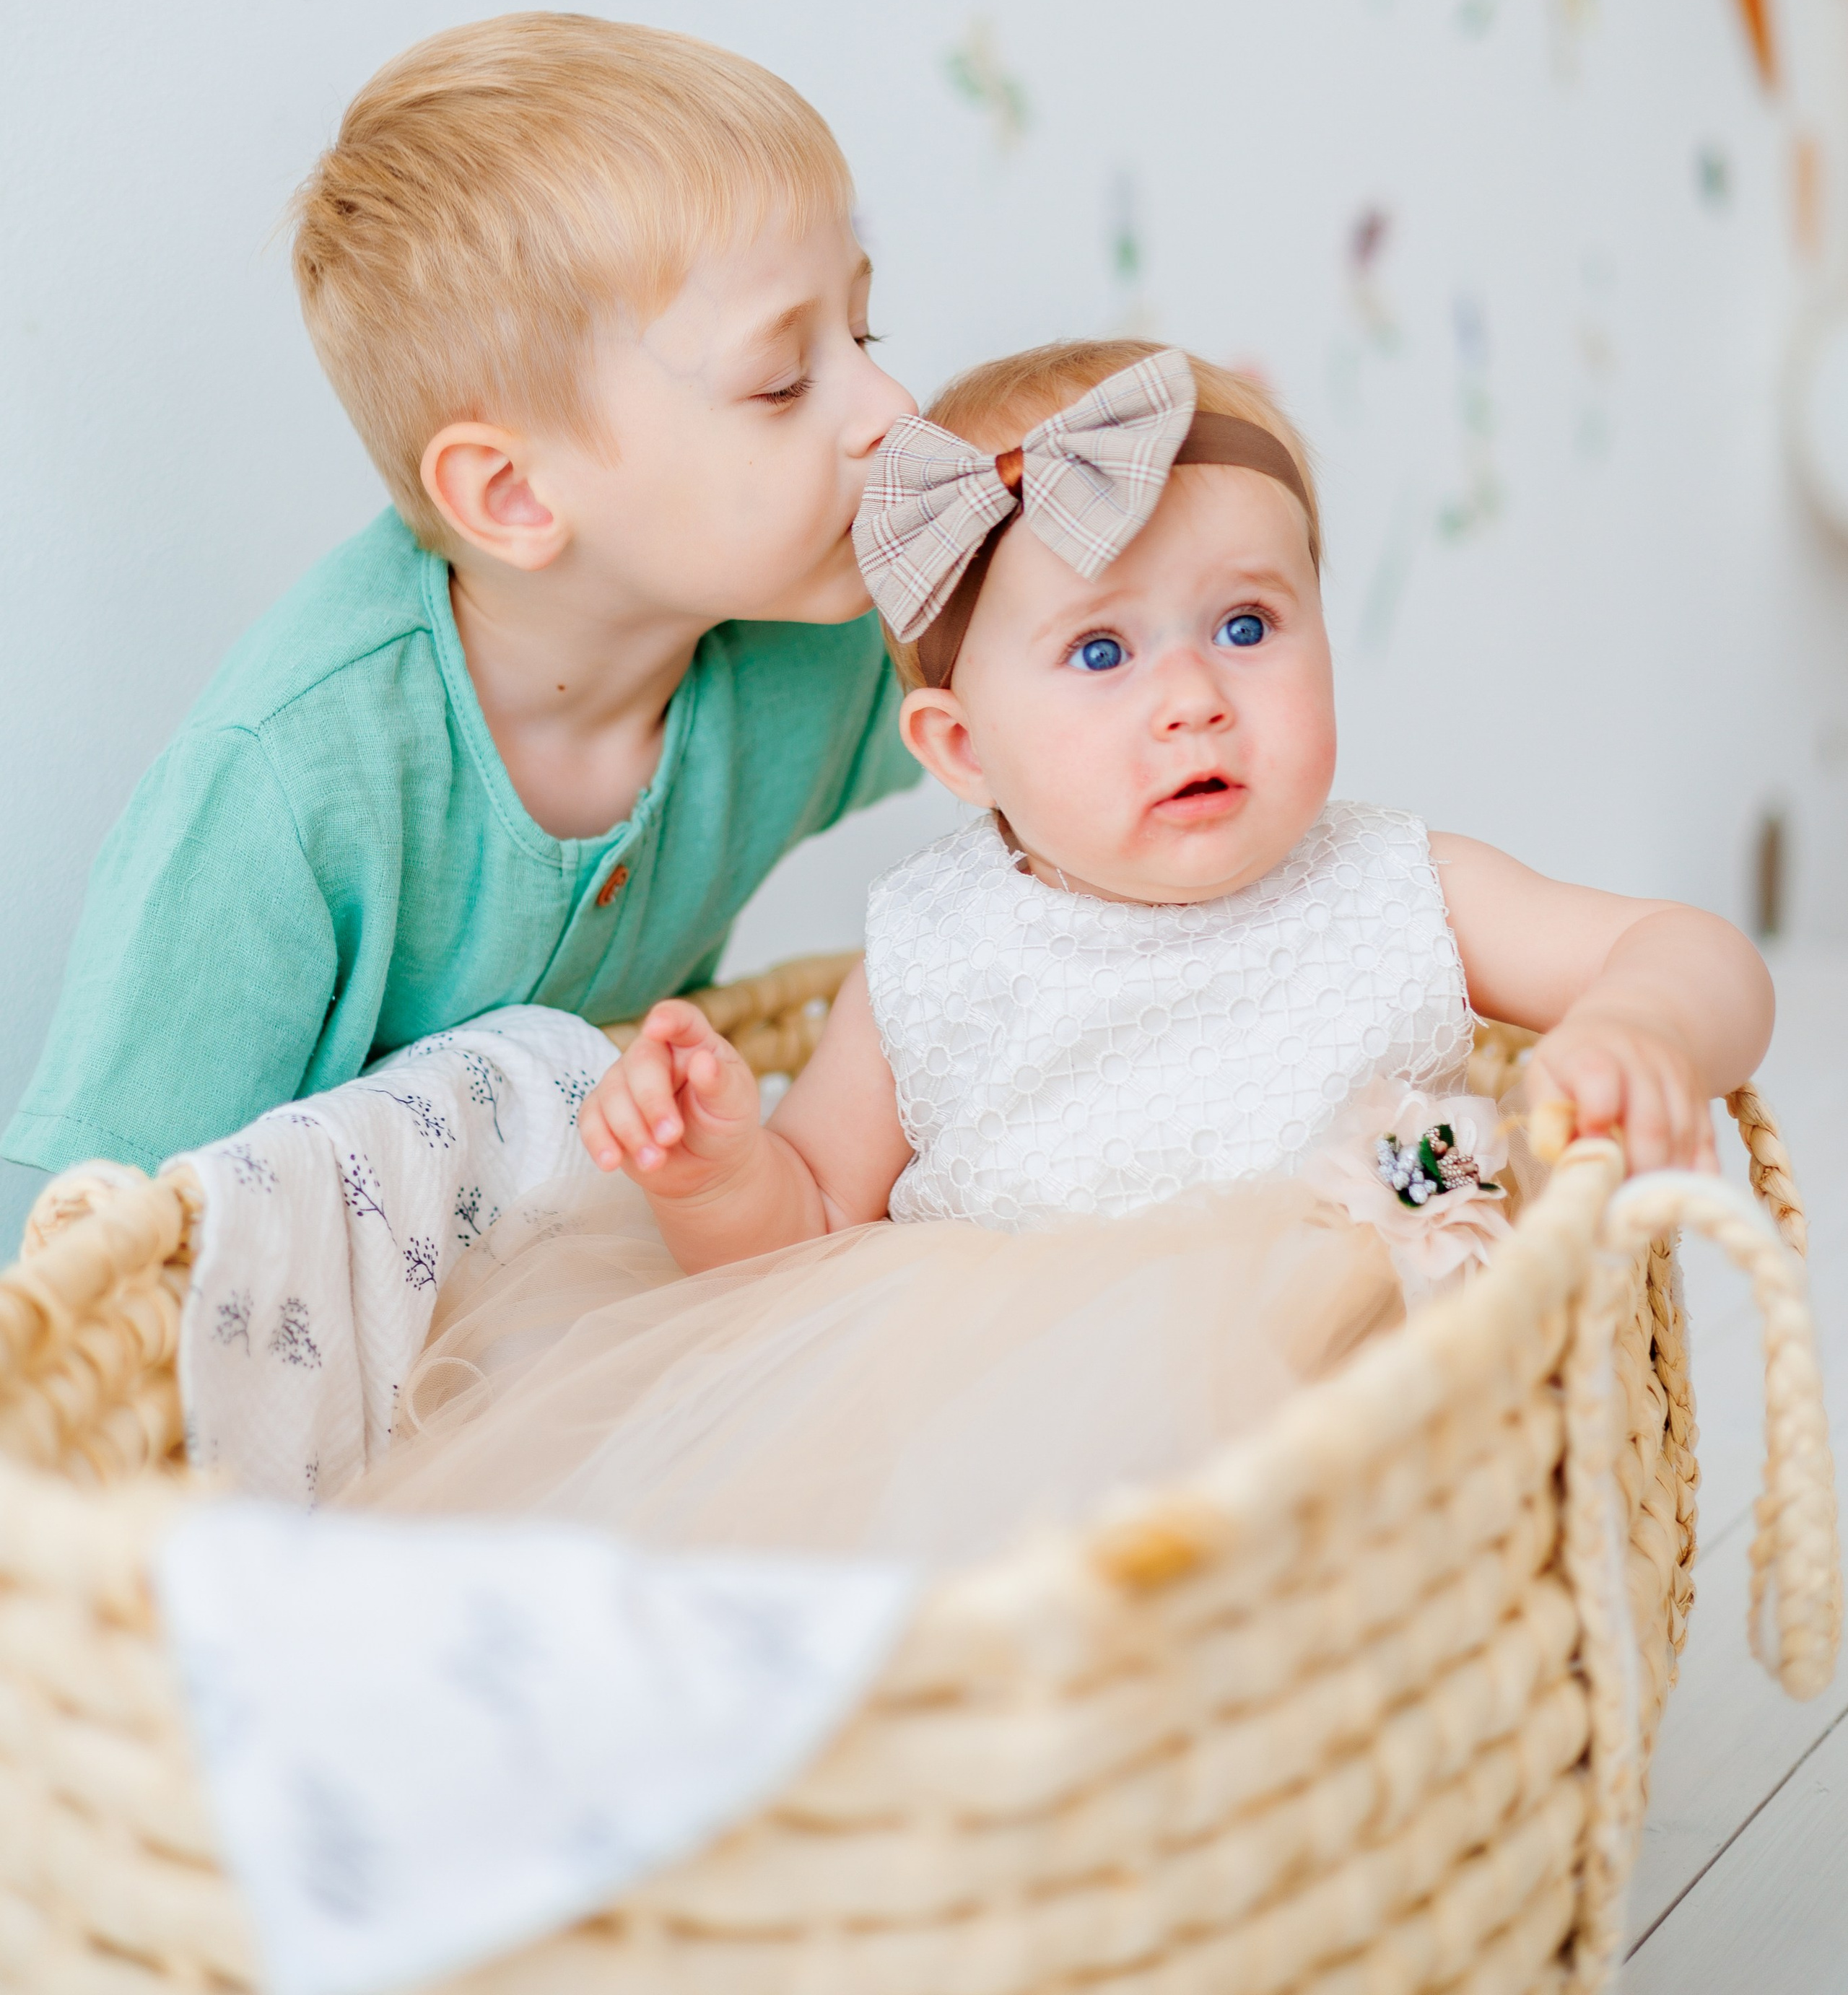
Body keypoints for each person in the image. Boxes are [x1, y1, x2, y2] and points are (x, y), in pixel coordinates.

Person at [349, 340, 1771, 1565]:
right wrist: (720, 1170)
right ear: (959, 749)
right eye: (1101, 654)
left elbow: (1687, 948)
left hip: (1361, 1410)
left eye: (1244, 623)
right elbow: (805, 1233)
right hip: (987, 1438)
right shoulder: (930, 950)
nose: (1193, 700)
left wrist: (1642, 1025)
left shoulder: (1395, 883)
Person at [4, 14, 917, 1179]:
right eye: (783, 380)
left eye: (865, 327)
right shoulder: (287, 788)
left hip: (592, 1295)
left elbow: (1073, 715)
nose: (890, 401)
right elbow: (86, 1244)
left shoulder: (817, 640)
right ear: (516, 495)